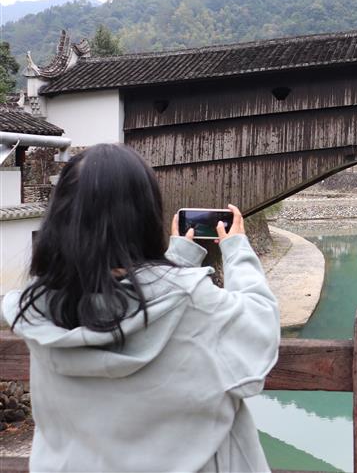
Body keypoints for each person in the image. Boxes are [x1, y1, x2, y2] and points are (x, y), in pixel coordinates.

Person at [0, 144, 280, 472]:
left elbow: (126, 300)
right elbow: (259, 327)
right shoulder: (196, 302)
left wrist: (179, 259)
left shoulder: (39, 307)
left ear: (60, 216)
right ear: (145, 216)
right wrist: (237, 250)